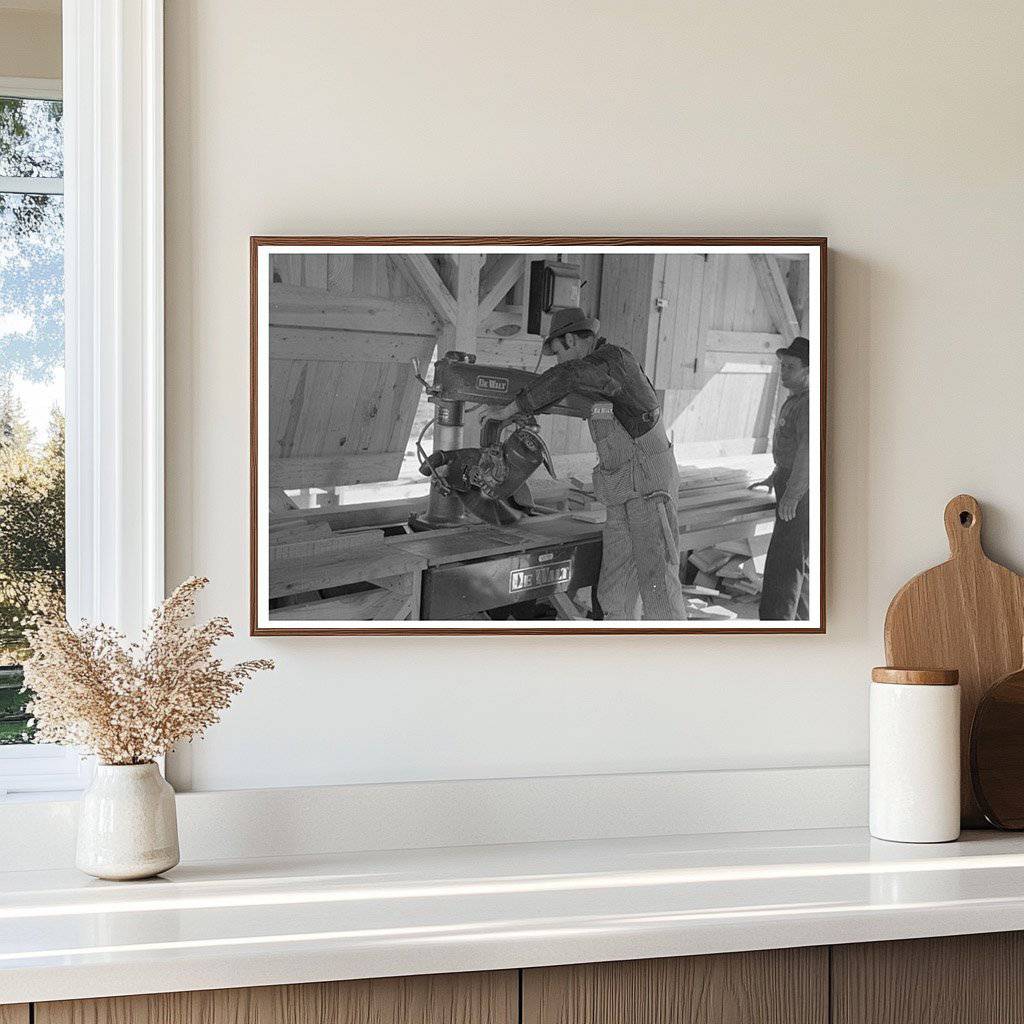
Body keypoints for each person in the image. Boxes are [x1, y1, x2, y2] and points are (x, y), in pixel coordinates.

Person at [494, 307, 687, 620]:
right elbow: (574, 394)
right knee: (614, 590)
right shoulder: (597, 376)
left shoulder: (613, 361)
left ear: (570, 339)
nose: (557, 360)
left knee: (658, 587)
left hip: (650, 489)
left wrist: (512, 406)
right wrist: (533, 409)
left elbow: (567, 375)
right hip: (622, 490)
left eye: (557, 352)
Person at [751, 335, 811, 620]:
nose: (783, 371)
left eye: (790, 367)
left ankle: (777, 624)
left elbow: (808, 454)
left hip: (799, 490)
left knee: (784, 563)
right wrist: (774, 476)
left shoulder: (808, 404)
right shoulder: (795, 399)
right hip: (788, 480)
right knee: (796, 558)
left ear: (808, 371)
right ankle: (800, 620)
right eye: (782, 366)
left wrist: (792, 495)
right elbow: (790, 450)